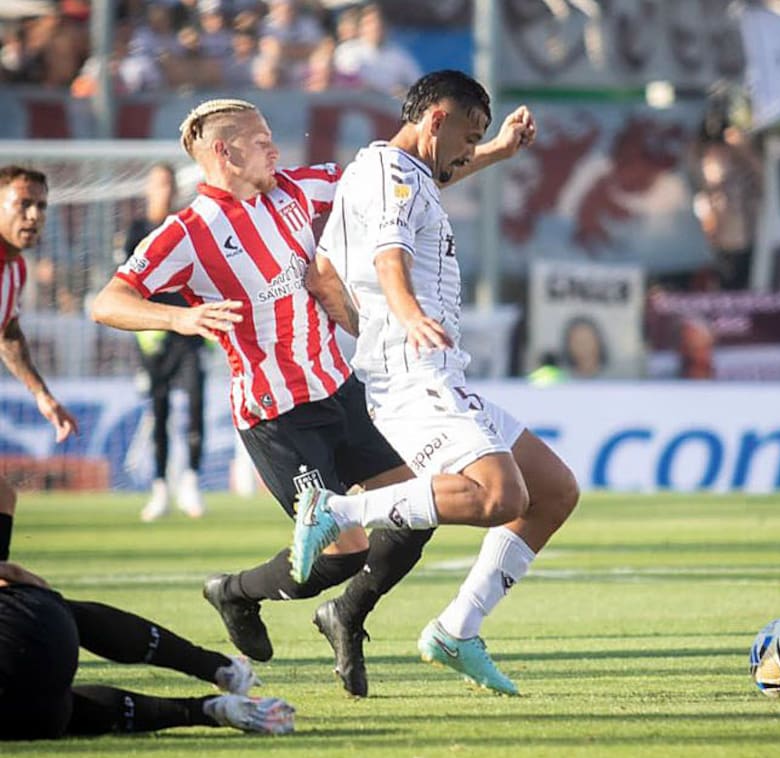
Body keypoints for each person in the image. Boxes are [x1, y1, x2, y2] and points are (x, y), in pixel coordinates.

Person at [89, 98, 530, 692]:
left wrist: (496, 150)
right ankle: (235, 592)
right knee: (343, 552)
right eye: (263, 140)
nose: (276, 149)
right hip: (276, 416)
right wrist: (178, 321)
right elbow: (107, 301)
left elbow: (406, 172)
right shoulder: (186, 232)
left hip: (340, 391)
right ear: (225, 151)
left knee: (419, 509)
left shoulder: (298, 191)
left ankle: (347, 616)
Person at [307, 70, 579, 696]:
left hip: (436, 373)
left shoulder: (394, 173)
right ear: (434, 119)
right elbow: (387, 257)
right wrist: (403, 314)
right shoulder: (394, 176)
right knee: (500, 497)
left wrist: (499, 152)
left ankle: (456, 629)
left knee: (554, 491)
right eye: (469, 132)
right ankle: (335, 512)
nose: (469, 146)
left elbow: (326, 271)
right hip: (412, 373)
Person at [0, 521, 293, 738]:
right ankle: (219, 668)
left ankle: (208, 711)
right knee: (41, 605)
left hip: (31, 722)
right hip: (35, 634)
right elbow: (6, 497)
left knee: (61, 713)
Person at [0, 166, 79, 564]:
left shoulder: (14, 269)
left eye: (41, 206)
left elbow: (8, 332)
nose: (33, 215)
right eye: (23, 204)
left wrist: (41, 394)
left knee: (3, 497)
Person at [123, 163, 207, 521]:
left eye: (168, 183)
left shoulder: (183, 227)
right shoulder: (137, 231)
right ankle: (159, 488)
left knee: (196, 404)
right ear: (147, 188)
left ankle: (190, 482)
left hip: (188, 334)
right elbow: (127, 285)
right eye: (158, 183)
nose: (164, 189)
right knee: (159, 412)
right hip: (152, 338)